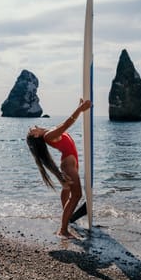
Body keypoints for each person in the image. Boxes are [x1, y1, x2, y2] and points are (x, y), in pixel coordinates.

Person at [26, 98, 92, 239]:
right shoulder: (49, 136)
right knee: (76, 195)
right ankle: (63, 229)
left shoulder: (50, 132)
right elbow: (67, 124)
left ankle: (66, 217)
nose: (32, 127)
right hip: (69, 166)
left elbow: (63, 124)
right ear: (36, 135)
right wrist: (81, 109)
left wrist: (78, 107)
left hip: (69, 164)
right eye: (31, 131)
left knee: (67, 190)